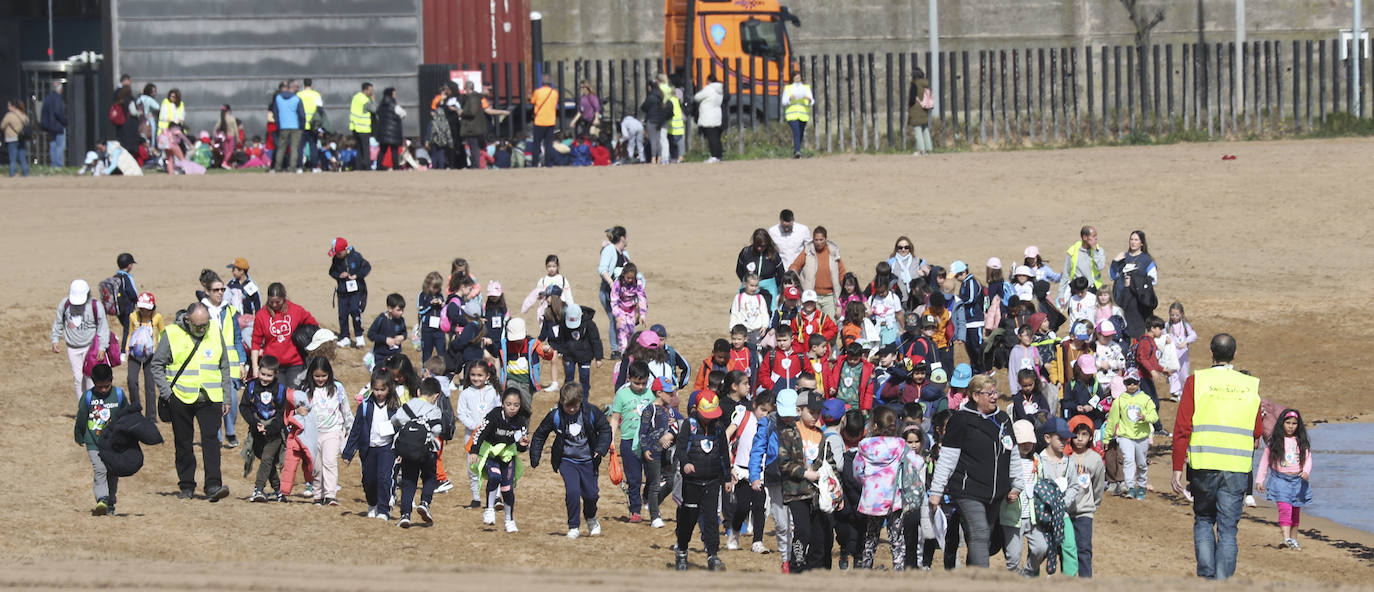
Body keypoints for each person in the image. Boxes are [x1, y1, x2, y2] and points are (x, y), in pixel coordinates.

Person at [1171, 333, 1263, 581]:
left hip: (1204, 465)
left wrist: (1177, 467)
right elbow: (1257, 430)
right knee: (1228, 530)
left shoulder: (1197, 381)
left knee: (1203, 519)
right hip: (1236, 467)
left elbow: (1182, 428)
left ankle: (1207, 576)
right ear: (1234, 354)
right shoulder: (1249, 384)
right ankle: (1221, 581)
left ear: (1211, 354)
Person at [927, 375, 1026, 568]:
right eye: (989, 393)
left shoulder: (1004, 420)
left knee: (983, 539)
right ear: (974, 395)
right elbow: (947, 458)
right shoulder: (961, 420)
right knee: (980, 532)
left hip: (995, 494)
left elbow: (1012, 454)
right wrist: (936, 491)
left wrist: (1017, 485)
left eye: (995, 392)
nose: (994, 397)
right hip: (968, 490)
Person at [151, 302, 230, 502]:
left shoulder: (214, 330)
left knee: (211, 441)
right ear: (187, 320)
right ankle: (186, 485)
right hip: (181, 397)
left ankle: (213, 485)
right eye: (198, 326)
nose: (203, 329)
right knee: (183, 443)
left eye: (205, 324)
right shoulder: (171, 333)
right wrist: (168, 394)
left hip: (210, 397)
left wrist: (226, 396)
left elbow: (224, 366)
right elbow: (157, 365)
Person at [530, 383, 611, 539]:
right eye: (568, 406)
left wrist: (600, 449)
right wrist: (535, 456)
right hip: (567, 461)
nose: (572, 409)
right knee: (572, 492)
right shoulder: (555, 416)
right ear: (561, 402)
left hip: (589, 460)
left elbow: (605, 429)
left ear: (580, 402)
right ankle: (573, 526)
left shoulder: (590, 412)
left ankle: (591, 518)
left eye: (575, 406)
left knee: (591, 495)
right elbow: (540, 434)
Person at [776, 388, 839, 573]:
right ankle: (796, 567)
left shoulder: (822, 435)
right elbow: (783, 463)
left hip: (818, 494)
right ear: (799, 411)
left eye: (818, 412)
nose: (815, 416)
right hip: (796, 492)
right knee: (802, 532)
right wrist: (804, 473)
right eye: (811, 412)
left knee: (820, 536)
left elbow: (831, 464)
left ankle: (814, 573)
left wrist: (837, 492)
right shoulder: (789, 433)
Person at [854, 405, 921, 570]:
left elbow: (857, 471)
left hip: (872, 501)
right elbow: (917, 463)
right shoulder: (899, 445)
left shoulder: (864, 446)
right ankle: (899, 572)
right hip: (894, 500)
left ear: (875, 426)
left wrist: (866, 483)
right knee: (897, 539)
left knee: (871, 537)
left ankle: (865, 569)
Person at [673, 391, 732, 571]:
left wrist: (727, 477)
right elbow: (681, 449)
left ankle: (712, 555)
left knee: (711, 520)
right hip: (692, 483)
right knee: (688, 518)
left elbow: (723, 454)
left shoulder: (719, 428)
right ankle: (682, 551)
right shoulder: (688, 426)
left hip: (713, 481)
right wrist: (686, 463)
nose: (709, 420)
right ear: (696, 410)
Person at [240, 355, 307, 502]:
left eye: (269, 375)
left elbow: (281, 413)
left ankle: (258, 489)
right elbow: (244, 407)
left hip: (275, 432)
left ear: (276, 374)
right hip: (256, 430)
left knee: (267, 457)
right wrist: (254, 423)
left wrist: (269, 429)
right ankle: (278, 491)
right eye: (262, 374)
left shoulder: (280, 389)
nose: (264, 378)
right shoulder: (252, 386)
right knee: (267, 463)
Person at [470, 388, 531, 533]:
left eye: (516, 405)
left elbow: (520, 445)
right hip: (490, 453)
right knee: (495, 476)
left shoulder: (521, 421)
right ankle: (489, 509)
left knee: (507, 489)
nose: (512, 408)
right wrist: (474, 451)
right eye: (508, 404)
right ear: (503, 403)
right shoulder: (494, 415)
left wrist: (523, 445)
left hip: (507, 455)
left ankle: (509, 520)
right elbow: (480, 432)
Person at [342, 370, 400, 520]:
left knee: (384, 478)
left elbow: (400, 430)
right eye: (376, 389)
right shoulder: (365, 406)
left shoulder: (395, 407)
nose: (379, 393)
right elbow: (356, 429)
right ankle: (373, 504)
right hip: (368, 449)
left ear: (389, 389)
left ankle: (383, 509)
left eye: (383, 389)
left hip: (387, 448)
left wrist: (401, 451)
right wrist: (348, 452)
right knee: (369, 480)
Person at [75, 363, 131, 516]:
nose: (103, 390)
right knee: (100, 469)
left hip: (114, 443)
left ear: (112, 380)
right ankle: (102, 499)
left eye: (106, 386)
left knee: (112, 473)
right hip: (94, 442)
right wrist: (79, 435)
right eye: (99, 387)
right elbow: (81, 418)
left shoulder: (119, 395)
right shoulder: (88, 397)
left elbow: (127, 415)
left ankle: (110, 503)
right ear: (93, 382)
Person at [199, 271, 246, 448]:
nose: (220, 292)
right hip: (209, 363)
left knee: (232, 400)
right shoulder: (201, 310)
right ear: (207, 291)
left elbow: (237, 338)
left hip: (230, 364)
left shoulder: (230, 310)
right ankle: (217, 434)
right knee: (213, 401)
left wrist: (242, 362)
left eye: (222, 289)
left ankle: (230, 429)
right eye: (216, 290)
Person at [1255, 408, 1313, 551]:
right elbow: (1264, 462)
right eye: (1288, 423)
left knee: (1295, 511)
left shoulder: (1301, 442)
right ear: (1282, 423)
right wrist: (1260, 480)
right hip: (1279, 480)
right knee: (1285, 509)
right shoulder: (1274, 442)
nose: (1291, 426)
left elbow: (1308, 459)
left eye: (1294, 423)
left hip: (1298, 481)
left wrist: (1306, 471)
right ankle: (1286, 538)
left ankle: (1294, 539)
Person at [392, 377, 445, 528]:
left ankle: (405, 515)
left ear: (418, 391)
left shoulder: (408, 405)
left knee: (409, 481)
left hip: (409, 450)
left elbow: (395, 419)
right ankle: (425, 502)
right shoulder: (435, 410)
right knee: (429, 478)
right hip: (428, 450)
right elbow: (437, 430)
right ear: (436, 395)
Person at [610, 361, 657, 522]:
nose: (640, 386)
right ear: (629, 378)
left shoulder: (650, 394)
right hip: (628, 441)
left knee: (652, 475)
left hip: (648, 442)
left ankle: (645, 497)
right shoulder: (621, 395)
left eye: (643, 383)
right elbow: (615, 419)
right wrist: (610, 439)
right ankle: (635, 510)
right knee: (634, 478)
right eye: (637, 383)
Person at [249, 283, 319, 388]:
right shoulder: (261, 315)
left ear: (284, 298)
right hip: (272, 365)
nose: (275, 305)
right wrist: (255, 367)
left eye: (278, 302)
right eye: (271, 302)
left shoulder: (296, 310)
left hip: (295, 363)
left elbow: (314, 326)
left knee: (294, 395)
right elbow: (255, 342)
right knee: (278, 396)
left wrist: (303, 337)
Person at [51, 279, 111, 399]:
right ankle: (83, 406)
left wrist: (102, 347)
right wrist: (55, 339)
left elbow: (103, 327)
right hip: (72, 348)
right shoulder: (65, 304)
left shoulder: (95, 305)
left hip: (90, 347)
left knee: (90, 378)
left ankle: (93, 405)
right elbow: (58, 322)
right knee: (78, 378)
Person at [1104, 368, 1158, 500]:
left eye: (1134, 382)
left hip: (1141, 436)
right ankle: (1130, 487)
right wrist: (1107, 438)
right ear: (1125, 384)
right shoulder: (1120, 400)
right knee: (1128, 460)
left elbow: (1154, 416)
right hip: (1125, 436)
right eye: (1128, 382)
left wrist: (1145, 417)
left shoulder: (1145, 399)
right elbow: (1112, 420)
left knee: (1141, 463)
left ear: (1139, 382)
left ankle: (1141, 486)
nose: (1131, 385)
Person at [302, 357, 350, 506]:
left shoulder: (337, 388)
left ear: (329, 374)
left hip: (333, 431)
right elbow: (298, 410)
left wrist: (350, 429)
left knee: (330, 462)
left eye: (324, 375)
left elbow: (346, 409)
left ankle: (330, 494)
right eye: (317, 376)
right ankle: (318, 494)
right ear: (311, 375)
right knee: (316, 466)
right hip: (313, 433)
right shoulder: (306, 390)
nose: (320, 379)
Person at [457, 362, 501, 508]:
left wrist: (491, 427)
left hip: (491, 437)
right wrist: (474, 426)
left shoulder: (493, 391)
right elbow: (461, 413)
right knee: (473, 466)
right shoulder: (466, 393)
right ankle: (476, 497)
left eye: (480, 375)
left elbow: (499, 410)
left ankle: (497, 497)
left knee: (494, 465)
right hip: (471, 436)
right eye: (473, 375)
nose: (476, 378)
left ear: (487, 376)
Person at [788, 226, 847, 320]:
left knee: (831, 323)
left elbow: (842, 273)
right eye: (816, 240)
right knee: (813, 324)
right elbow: (794, 266)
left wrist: (847, 287)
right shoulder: (807, 251)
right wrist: (796, 277)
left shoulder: (833, 252)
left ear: (826, 239)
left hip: (830, 297)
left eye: (821, 240)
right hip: (812, 296)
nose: (818, 242)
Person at [124, 292, 163, 422]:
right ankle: (135, 410)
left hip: (151, 355)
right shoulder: (133, 316)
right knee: (132, 380)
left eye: (147, 309)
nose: (144, 311)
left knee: (150, 386)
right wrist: (127, 349)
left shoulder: (157, 317)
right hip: (135, 353)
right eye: (142, 308)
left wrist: (161, 351)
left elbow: (162, 333)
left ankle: (151, 417)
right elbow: (129, 333)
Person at [327, 237, 371, 348]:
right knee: (342, 314)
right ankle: (345, 337)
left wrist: (357, 275)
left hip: (356, 291)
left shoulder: (356, 257)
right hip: (342, 292)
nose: (337, 256)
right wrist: (339, 276)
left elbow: (367, 267)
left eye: (339, 253)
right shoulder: (336, 260)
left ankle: (359, 336)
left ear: (345, 250)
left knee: (355, 311)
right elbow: (332, 272)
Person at [598, 226, 632, 358]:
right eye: (626, 236)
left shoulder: (624, 254)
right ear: (622, 238)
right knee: (614, 318)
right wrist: (612, 284)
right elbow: (602, 270)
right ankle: (615, 350)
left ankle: (623, 346)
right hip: (608, 292)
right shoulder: (610, 250)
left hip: (622, 294)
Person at [1057, 226, 1106, 306]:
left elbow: (1100, 267)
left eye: (1096, 236)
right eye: (1093, 236)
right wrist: (1061, 294)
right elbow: (1066, 274)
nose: (1096, 238)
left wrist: (1095, 251)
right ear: (1084, 237)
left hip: (1092, 289)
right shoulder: (1072, 251)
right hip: (1076, 290)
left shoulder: (1099, 250)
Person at [736, 229, 783, 308]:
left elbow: (781, 273)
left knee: (770, 312)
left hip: (768, 289)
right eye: (757, 245)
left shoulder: (774, 254)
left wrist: (772, 284)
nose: (759, 248)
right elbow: (739, 270)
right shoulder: (745, 252)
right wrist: (749, 282)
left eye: (763, 246)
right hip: (748, 286)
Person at [271, 80, 305, 173]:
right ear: (292, 88)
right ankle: (292, 167)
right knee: (294, 148)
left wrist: (278, 124)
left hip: (283, 126)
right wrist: (302, 126)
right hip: (295, 126)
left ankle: (278, 167)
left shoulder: (278, 98)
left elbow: (275, 113)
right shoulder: (297, 99)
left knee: (281, 147)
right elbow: (301, 114)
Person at [1165, 302, 1198, 401]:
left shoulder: (1185, 325)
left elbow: (1194, 335)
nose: (1174, 317)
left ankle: (1183, 392)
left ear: (1182, 314)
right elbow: (1162, 336)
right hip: (1171, 354)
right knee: (1173, 372)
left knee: (1183, 375)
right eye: (1172, 315)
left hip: (1183, 354)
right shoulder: (1167, 326)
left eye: (1177, 315)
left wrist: (1185, 342)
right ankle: (1175, 393)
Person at [367, 293, 408, 362]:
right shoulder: (381, 319)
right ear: (390, 308)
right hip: (381, 355)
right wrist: (385, 339)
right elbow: (371, 334)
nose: (401, 312)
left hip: (396, 354)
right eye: (398, 310)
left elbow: (404, 332)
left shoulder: (401, 320)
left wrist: (402, 337)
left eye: (402, 310)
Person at [781, 71, 813, 158]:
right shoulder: (788, 88)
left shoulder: (806, 88)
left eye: (798, 77)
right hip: (792, 115)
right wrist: (790, 99)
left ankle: (796, 150)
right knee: (796, 132)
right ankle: (798, 152)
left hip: (803, 115)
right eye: (795, 78)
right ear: (792, 78)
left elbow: (812, 101)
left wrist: (809, 99)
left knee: (800, 133)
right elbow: (784, 102)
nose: (797, 79)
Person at [694, 74, 725, 162]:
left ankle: (714, 156)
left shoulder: (709, 89)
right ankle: (719, 155)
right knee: (716, 137)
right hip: (717, 115)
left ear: (708, 81)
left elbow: (697, 97)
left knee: (711, 138)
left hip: (708, 116)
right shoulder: (719, 90)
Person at [530, 75, 559, 167]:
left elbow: (532, 101)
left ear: (541, 83)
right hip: (550, 121)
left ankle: (535, 163)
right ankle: (548, 163)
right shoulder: (554, 93)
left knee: (536, 144)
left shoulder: (537, 92)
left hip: (539, 121)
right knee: (548, 144)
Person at [374, 87, 406, 170]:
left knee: (382, 150)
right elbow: (403, 114)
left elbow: (377, 117)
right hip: (393, 132)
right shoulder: (394, 105)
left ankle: (379, 166)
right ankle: (396, 167)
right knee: (394, 150)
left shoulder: (380, 105)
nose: (395, 95)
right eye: (394, 94)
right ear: (391, 94)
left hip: (382, 132)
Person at [297, 78, 323, 172]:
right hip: (313, 125)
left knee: (300, 147)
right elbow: (320, 111)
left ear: (303, 84)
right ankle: (314, 167)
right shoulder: (316, 95)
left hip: (301, 124)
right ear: (311, 84)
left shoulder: (299, 95)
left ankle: (299, 168)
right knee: (313, 146)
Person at [349, 82, 376, 171]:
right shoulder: (365, 100)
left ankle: (358, 166)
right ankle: (367, 166)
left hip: (355, 126)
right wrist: (373, 100)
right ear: (366, 90)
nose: (372, 92)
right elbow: (374, 109)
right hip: (363, 127)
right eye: (371, 90)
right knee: (365, 148)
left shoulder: (356, 97)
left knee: (359, 148)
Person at [907, 68, 933, 155]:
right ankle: (928, 149)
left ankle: (920, 149)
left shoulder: (914, 84)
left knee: (917, 129)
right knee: (925, 129)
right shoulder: (926, 84)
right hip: (925, 108)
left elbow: (911, 99)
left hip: (916, 109)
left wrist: (909, 107)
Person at [41, 81, 67, 167]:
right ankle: (59, 165)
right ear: (59, 89)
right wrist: (64, 121)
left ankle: (53, 164)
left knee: (53, 146)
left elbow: (44, 112)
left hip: (50, 126)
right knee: (60, 146)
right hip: (58, 126)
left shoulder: (48, 98)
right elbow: (58, 112)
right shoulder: (58, 98)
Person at [3, 99, 30, 177]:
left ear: (13, 106)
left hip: (12, 138)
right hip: (22, 138)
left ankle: (12, 174)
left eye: (9, 105)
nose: (8, 107)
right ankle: (25, 173)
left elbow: (2, 125)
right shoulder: (23, 115)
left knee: (13, 158)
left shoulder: (9, 115)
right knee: (22, 158)